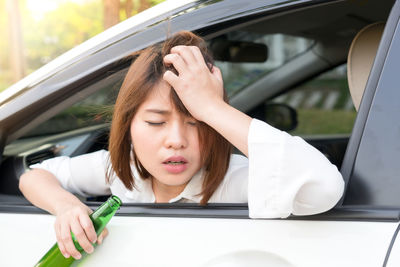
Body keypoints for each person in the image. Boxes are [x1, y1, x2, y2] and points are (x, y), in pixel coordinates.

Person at [19, 31, 344, 260]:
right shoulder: (125, 168)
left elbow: (323, 189)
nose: (176, 140)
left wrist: (213, 107)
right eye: (156, 122)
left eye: (196, 121)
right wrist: (66, 206)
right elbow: (34, 175)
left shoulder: (238, 179)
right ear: (127, 126)